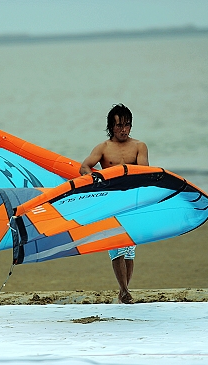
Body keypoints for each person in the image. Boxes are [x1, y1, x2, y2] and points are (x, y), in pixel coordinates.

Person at [79, 103, 149, 304]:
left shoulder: (139, 146)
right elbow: (85, 167)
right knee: (115, 245)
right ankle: (124, 290)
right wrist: (96, 181)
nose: (123, 129)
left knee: (129, 249)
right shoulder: (103, 148)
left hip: (132, 201)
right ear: (111, 126)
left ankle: (124, 291)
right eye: (119, 126)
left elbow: (143, 172)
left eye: (127, 125)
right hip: (110, 201)